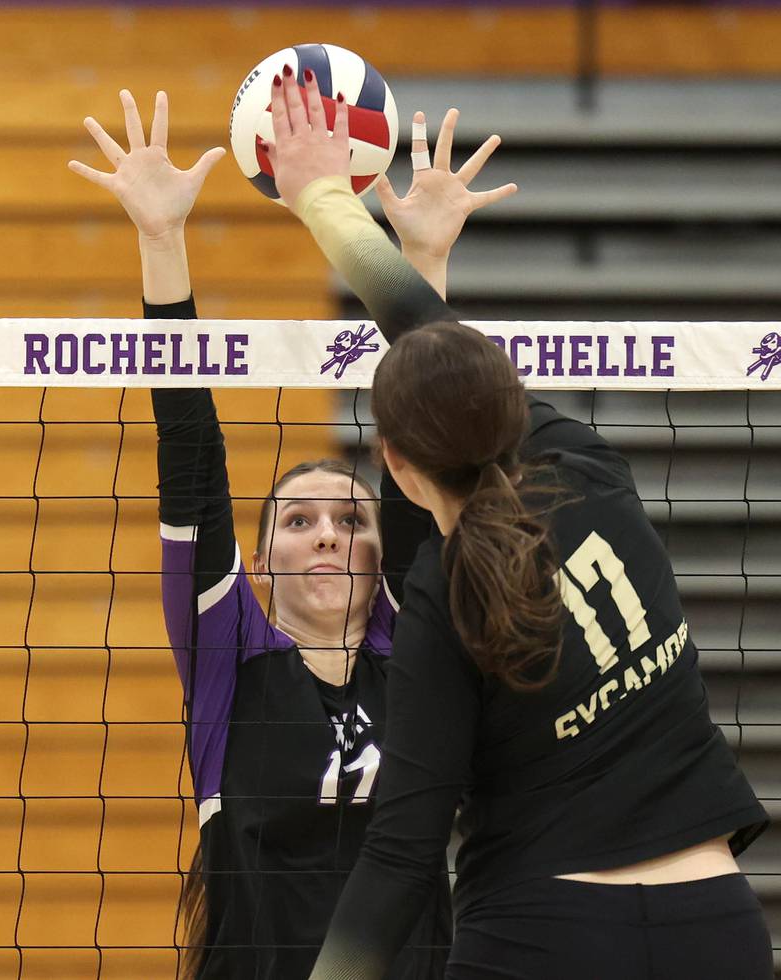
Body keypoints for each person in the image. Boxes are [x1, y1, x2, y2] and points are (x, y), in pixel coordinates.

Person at [261, 68, 774, 980]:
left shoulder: (439, 604)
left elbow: (401, 855)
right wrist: (333, 205)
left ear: (397, 467)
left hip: (546, 937)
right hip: (718, 928)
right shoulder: (586, 467)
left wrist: (316, 192)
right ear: (513, 400)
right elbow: (434, 351)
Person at [69, 88, 515, 979]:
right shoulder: (227, 651)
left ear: (384, 550)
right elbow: (189, 454)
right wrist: (162, 241)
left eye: (349, 521)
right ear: (260, 561)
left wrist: (423, 256)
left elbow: (424, 428)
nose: (322, 536)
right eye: (297, 521)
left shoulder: (413, 637)